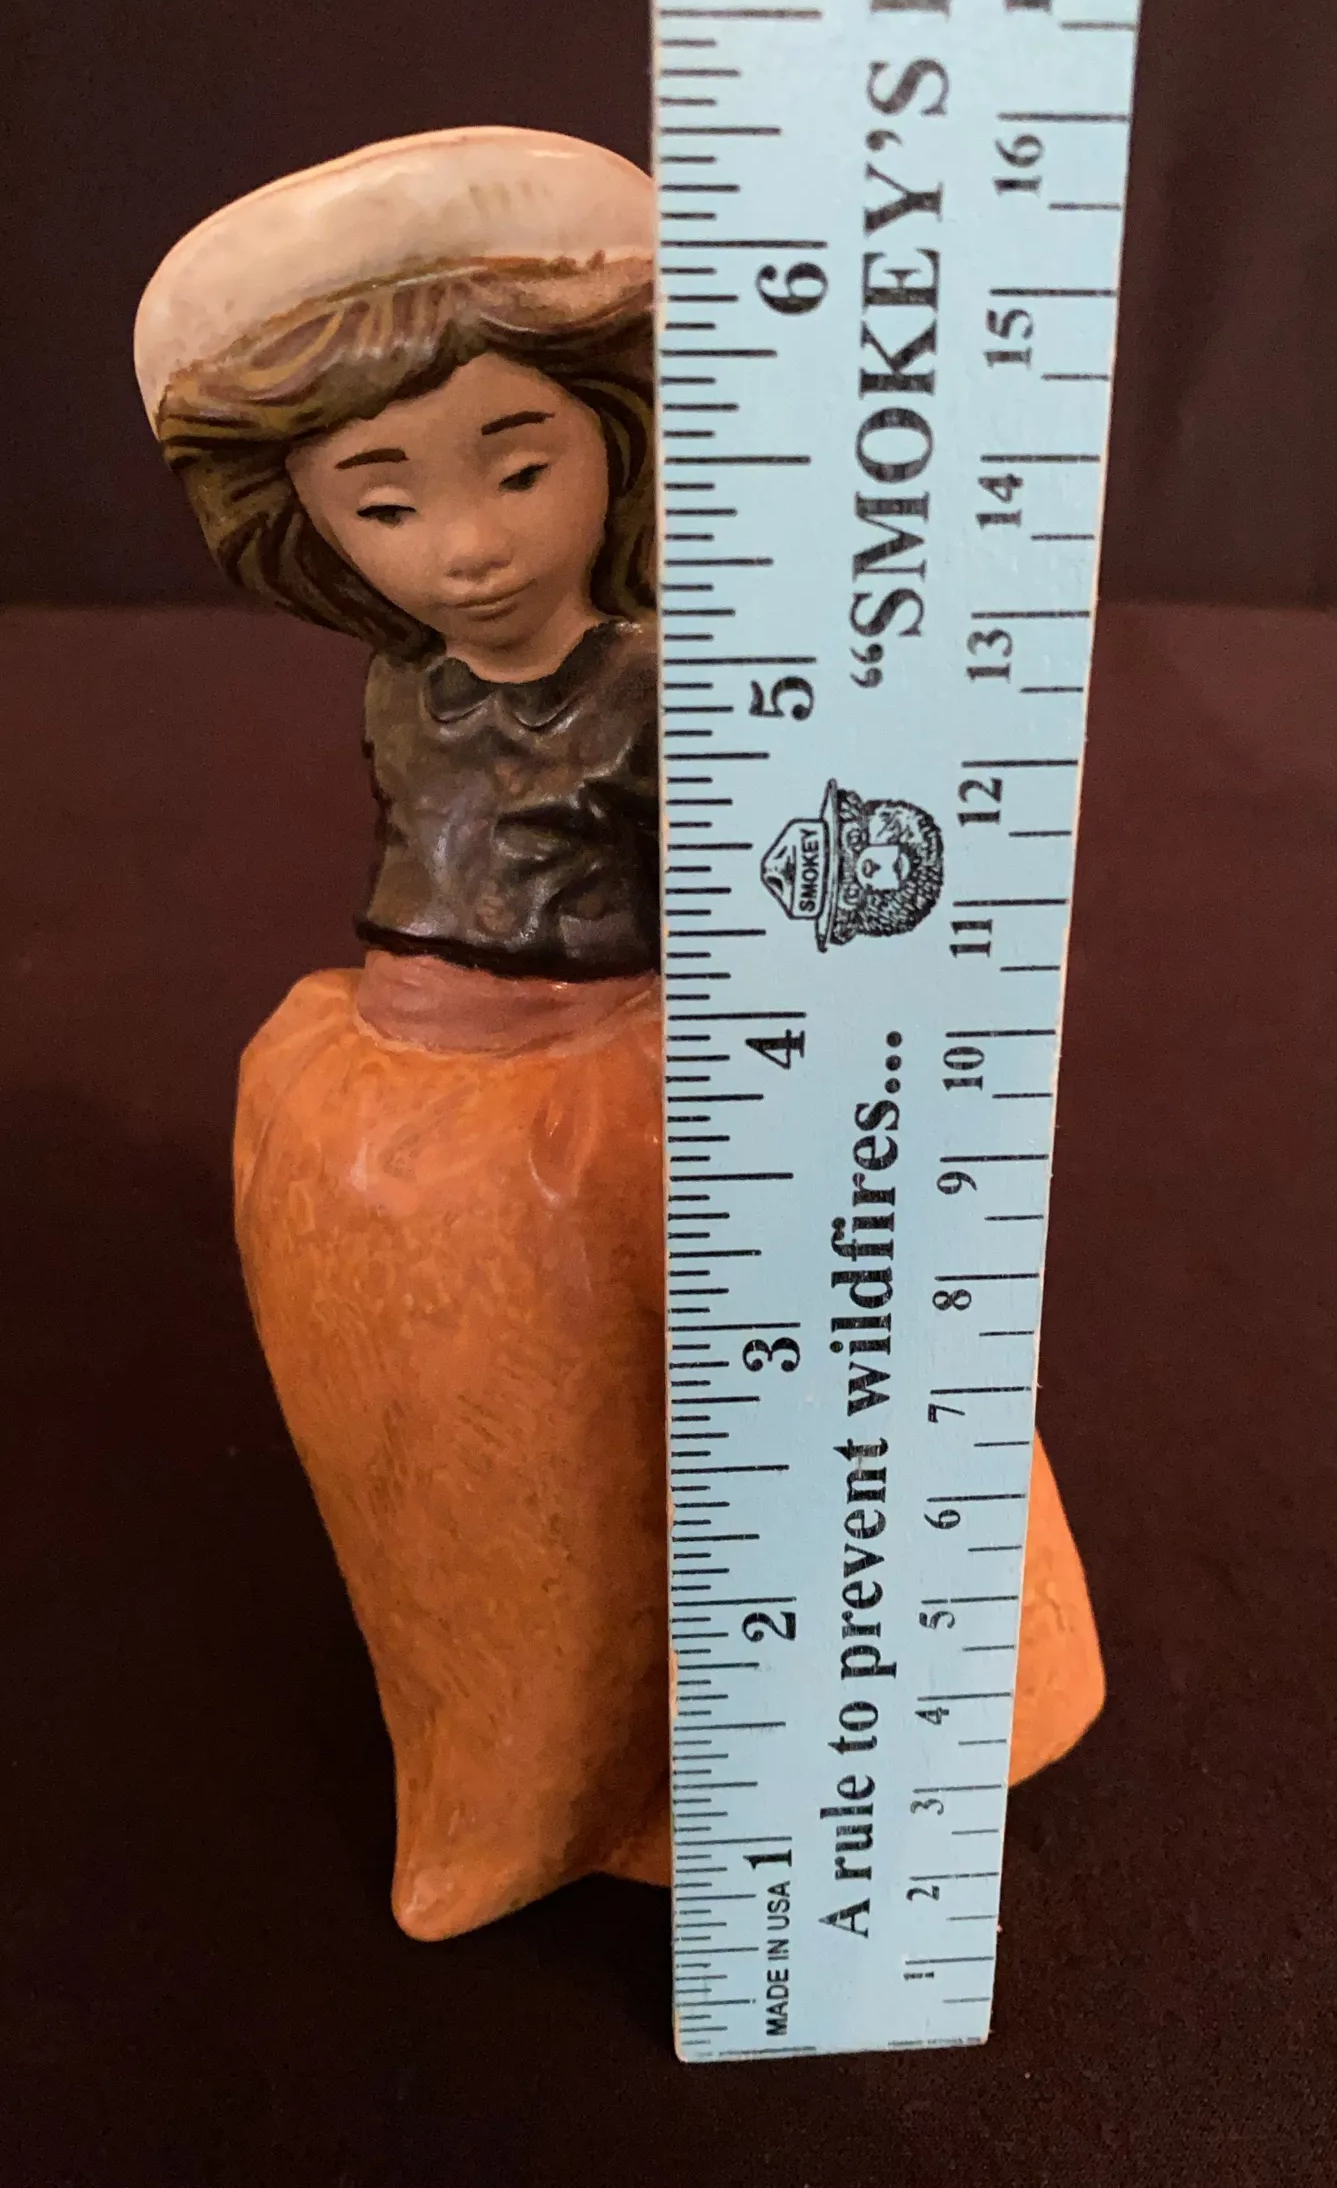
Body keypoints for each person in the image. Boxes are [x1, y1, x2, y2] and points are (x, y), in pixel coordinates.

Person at [136, 127, 1105, 1942]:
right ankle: (499, 1742)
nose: (469, 546)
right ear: (309, 525)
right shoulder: (403, 683)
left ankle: (715, 1749)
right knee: (455, 1461)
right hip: (387, 1090)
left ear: (620, 440)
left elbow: (811, 867)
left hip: (611, 1094)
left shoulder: (669, 686)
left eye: (521, 467)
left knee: (660, 1431)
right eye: (385, 504)